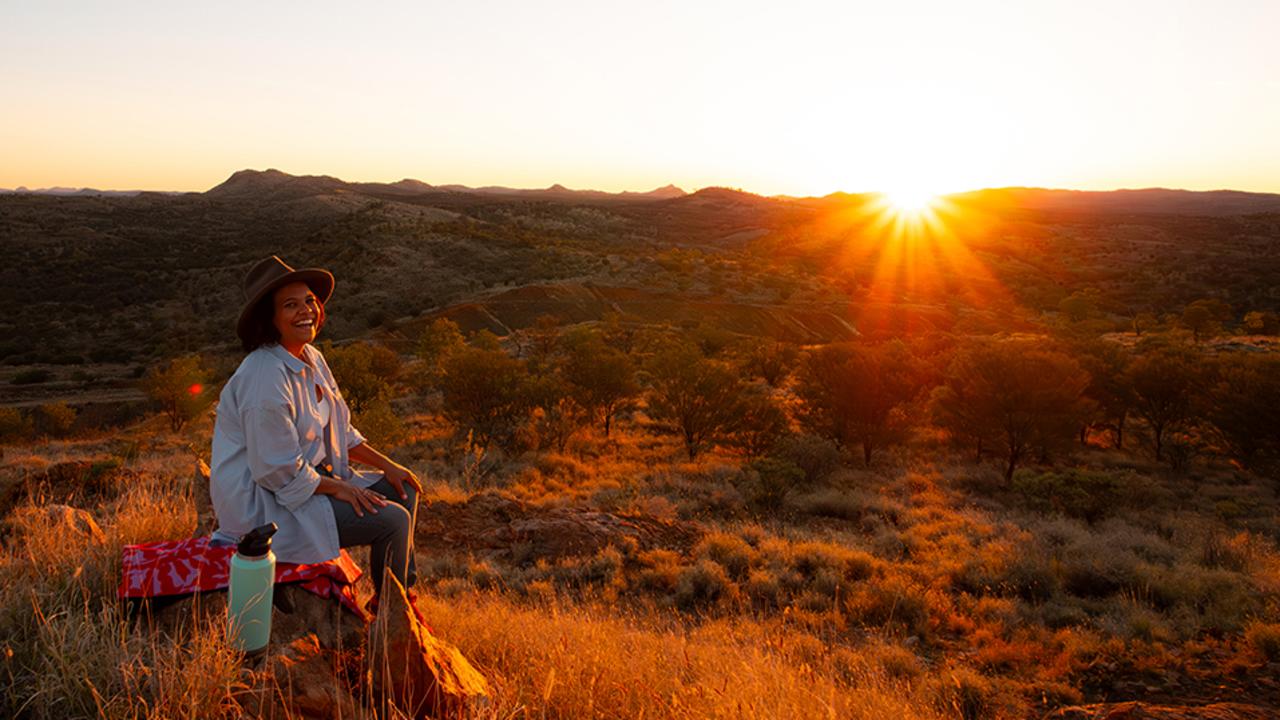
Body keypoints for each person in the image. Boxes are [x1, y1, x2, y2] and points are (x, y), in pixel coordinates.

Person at [210, 255, 422, 603]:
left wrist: (388, 465)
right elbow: (275, 470)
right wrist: (338, 488)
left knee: (404, 490)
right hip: (266, 504)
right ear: (271, 319)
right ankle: (392, 612)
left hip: (308, 482)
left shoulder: (311, 357)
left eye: (309, 300)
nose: (305, 310)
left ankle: (401, 600)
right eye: (290, 305)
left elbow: (342, 431)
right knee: (393, 521)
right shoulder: (264, 376)